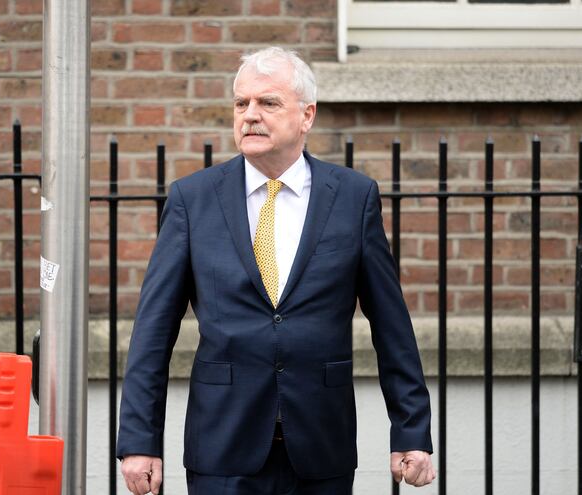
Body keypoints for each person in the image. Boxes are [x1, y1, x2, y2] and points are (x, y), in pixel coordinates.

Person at [117, 46, 435, 495]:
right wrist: (138, 441)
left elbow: (392, 326)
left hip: (321, 445)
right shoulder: (193, 199)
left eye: (268, 103)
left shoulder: (352, 197)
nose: (250, 115)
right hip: (223, 447)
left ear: (306, 116)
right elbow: (152, 331)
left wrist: (411, 431)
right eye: (241, 103)